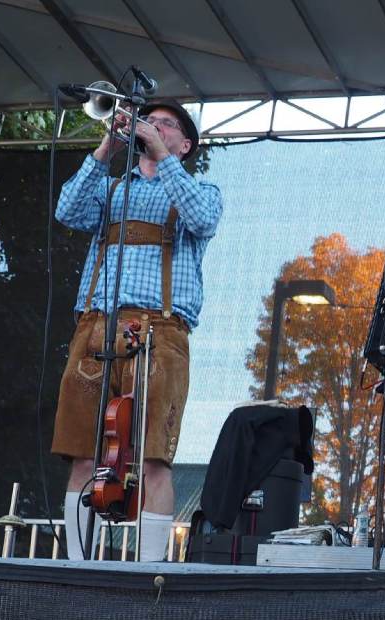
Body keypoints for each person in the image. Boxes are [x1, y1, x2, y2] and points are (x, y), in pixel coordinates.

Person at [52, 99, 222, 561]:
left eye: (165, 125)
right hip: (96, 328)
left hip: (161, 332)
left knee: (153, 459)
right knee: (83, 454)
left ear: (184, 145)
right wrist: (110, 142)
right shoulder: (109, 190)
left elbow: (202, 220)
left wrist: (161, 158)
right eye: (148, 121)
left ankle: (148, 572)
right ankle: (78, 567)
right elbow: (66, 211)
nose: (153, 126)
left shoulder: (201, 190)